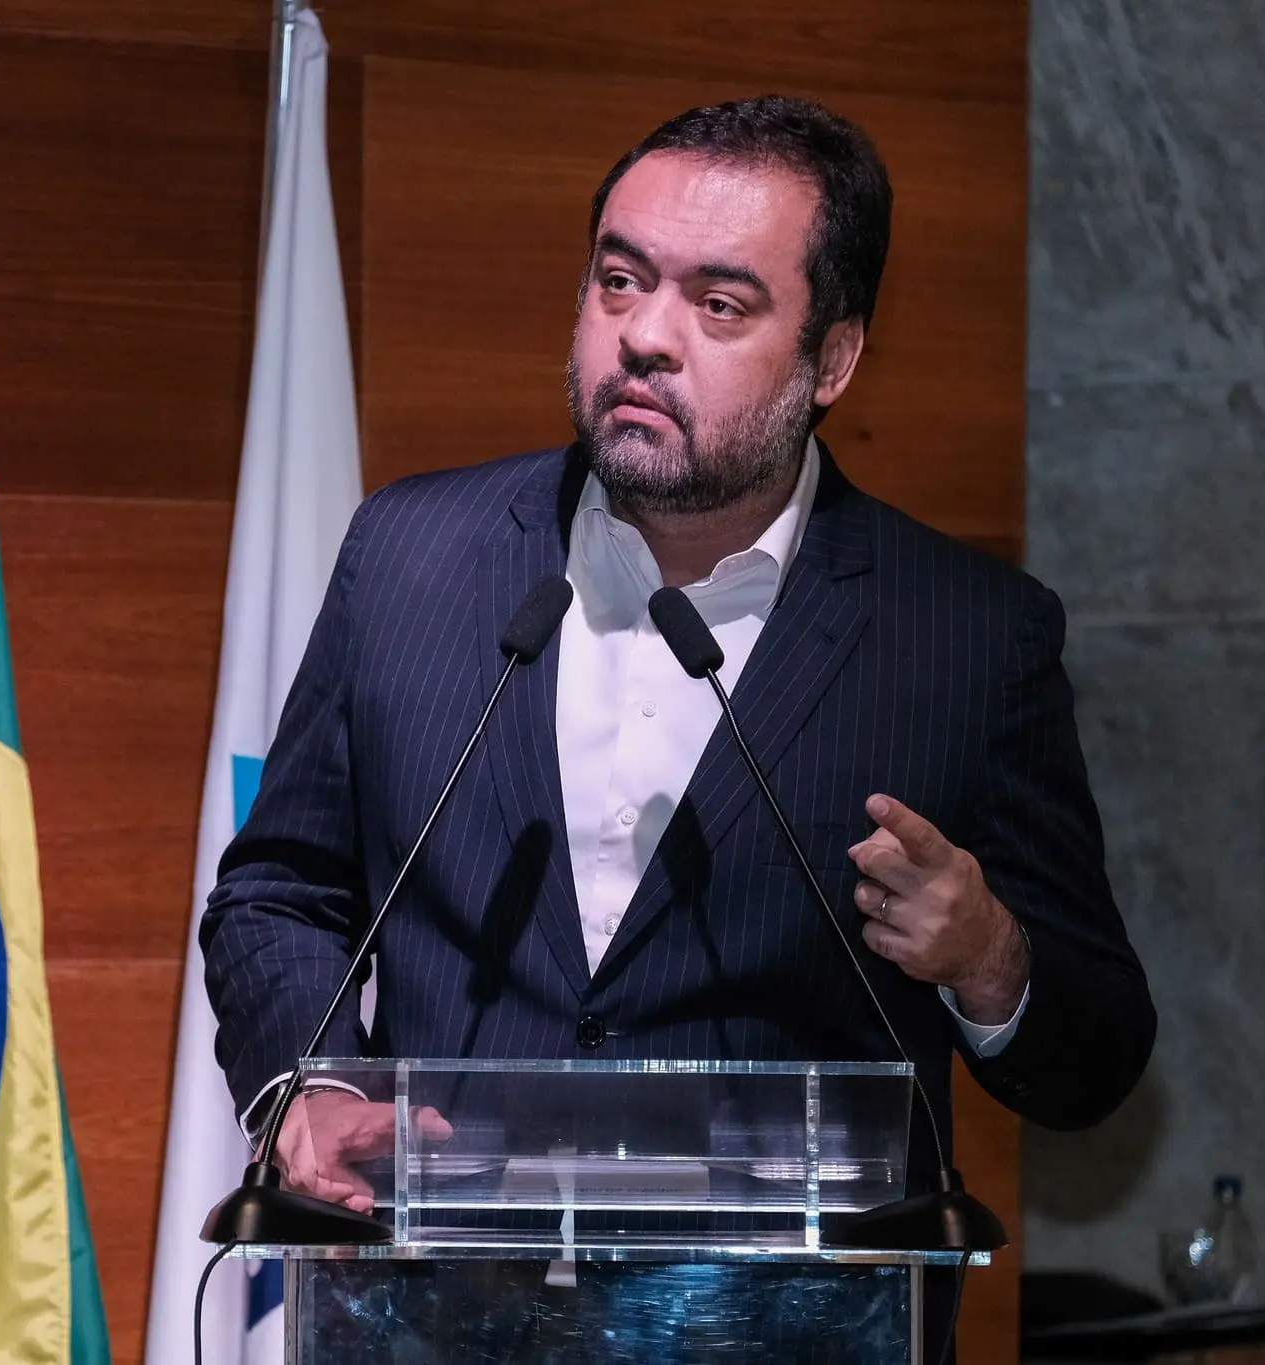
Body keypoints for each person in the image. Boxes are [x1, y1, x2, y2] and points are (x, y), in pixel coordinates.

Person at [201, 97, 1155, 1217]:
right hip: (440, 1298)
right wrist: (304, 1086)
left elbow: (1092, 1059)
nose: (645, 336)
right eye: (618, 280)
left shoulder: (967, 636)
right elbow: (279, 890)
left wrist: (991, 958)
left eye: (718, 303)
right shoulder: (410, 554)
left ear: (832, 359)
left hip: (790, 1327)